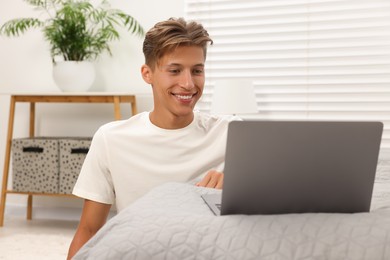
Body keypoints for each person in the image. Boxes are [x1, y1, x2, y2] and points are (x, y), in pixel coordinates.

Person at [67, 17, 238, 259]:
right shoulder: (111, 138)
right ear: (148, 74)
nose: (188, 84)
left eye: (197, 70)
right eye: (175, 70)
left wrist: (236, 184)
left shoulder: (231, 133)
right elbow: (89, 229)